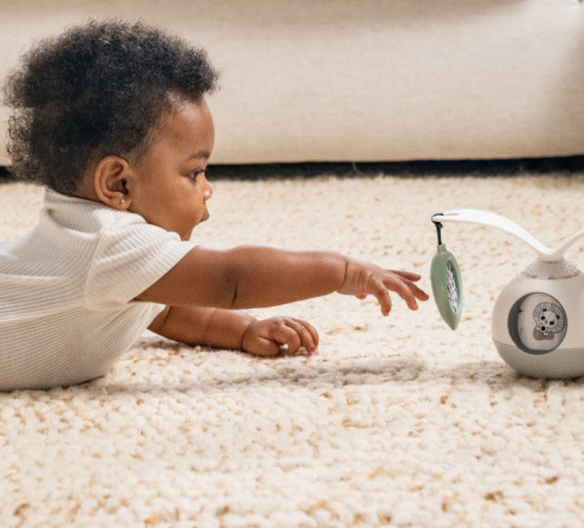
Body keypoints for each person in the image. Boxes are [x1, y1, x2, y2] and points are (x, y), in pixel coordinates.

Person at [0, 19, 429, 390]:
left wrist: (243, 330)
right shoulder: (108, 241)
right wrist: (343, 270)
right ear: (118, 183)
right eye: (194, 173)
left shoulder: (120, 263)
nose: (207, 188)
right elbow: (232, 279)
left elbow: (166, 311)